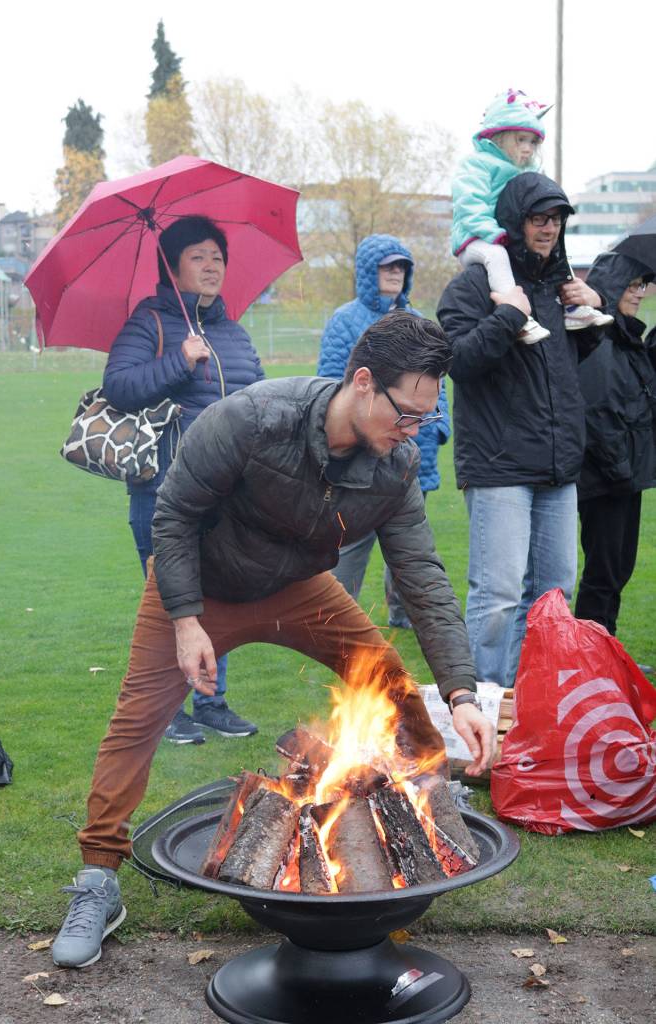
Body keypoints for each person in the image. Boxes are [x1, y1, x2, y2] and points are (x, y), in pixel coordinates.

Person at [52, 310, 495, 969]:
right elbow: (173, 516)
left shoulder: (395, 466)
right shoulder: (252, 419)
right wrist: (185, 620)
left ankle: (430, 811)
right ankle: (97, 878)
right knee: (137, 719)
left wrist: (460, 693)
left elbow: (422, 576)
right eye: (405, 413)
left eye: (424, 419)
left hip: (298, 588)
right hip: (200, 586)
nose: (413, 431)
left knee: (388, 679)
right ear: (363, 382)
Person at [438, 172, 606, 688]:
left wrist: (591, 309)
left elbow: (558, 369)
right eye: (538, 218)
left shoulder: (559, 288)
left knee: (554, 595)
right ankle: (482, 711)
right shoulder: (474, 284)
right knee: (498, 596)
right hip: (499, 466)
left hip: (558, 467)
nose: (549, 228)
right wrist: (509, 314)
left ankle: (531, 704)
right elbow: (456, 360)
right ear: (514, 221)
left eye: (556, 219)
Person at [103, 215, 263, 744]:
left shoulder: (233, 332)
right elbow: (119, 387)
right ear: (172, 269)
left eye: (218, 257)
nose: (212, 266)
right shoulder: (148, 322)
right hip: (164, 491)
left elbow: (259, 396)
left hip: (227, 492)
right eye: (198, 257)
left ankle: (211, 702)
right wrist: (179, 359)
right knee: (168, 602)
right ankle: (167, 710)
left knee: (217, 598)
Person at [317, 234, 450, 626]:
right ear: (366, 271)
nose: (395, 273)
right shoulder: (345, 320)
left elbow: (438, 382)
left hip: (414, 451)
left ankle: (402, 614)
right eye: (387, 266)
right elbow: (332, 382)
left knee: (407, 544)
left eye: (401, 267)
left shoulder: (419, 322)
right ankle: (334, 618)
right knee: (350, 542)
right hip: (362, 454)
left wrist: (439, 427)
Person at [452, 88, 611, 346]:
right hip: (475, 239)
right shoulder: (477, 164)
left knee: (557, 255)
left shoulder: (526, 170)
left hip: (505, 236)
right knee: (496, 255)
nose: (527, 148)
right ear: (501, 136)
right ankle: (517, 313)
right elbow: (469, 203)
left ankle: (573, 307)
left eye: (532, 142)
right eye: (520, 140)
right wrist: (494, 234)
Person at [574, 251, 656, 637]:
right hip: (606, 478)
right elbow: (597, 412)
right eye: (632, 285)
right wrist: (620, 471)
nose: (639, 292)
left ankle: (607, 651)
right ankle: (591, 657)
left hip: (625, 475)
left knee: (619, 568)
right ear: (611, 286)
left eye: (643, 285)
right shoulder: (599, 340)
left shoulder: (626, 338)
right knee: (603, 572)